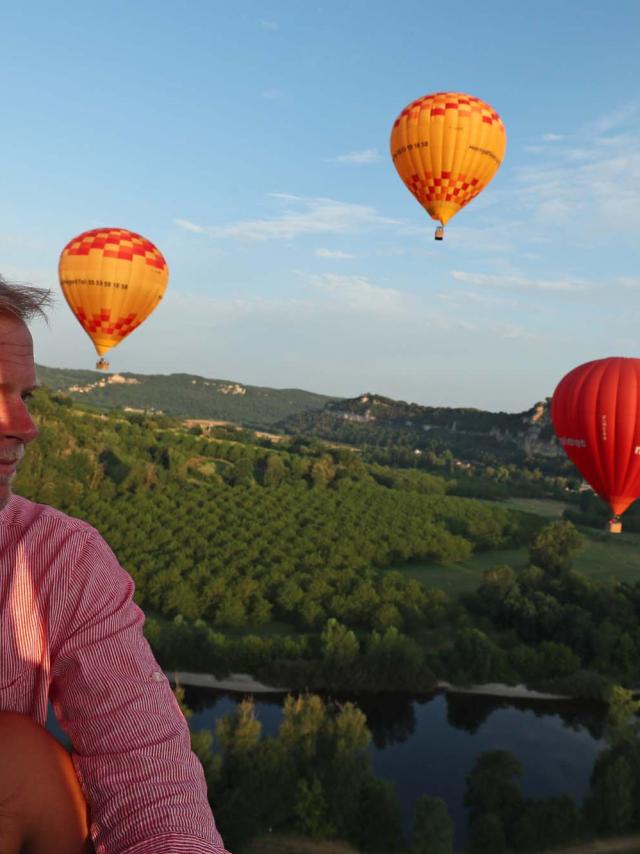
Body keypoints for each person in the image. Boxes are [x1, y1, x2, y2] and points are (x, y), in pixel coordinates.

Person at [0, 276, 230, 853]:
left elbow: (145, 768)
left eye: (25, 397)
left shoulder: (62, 559)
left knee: (20, 761)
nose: (25, 428)